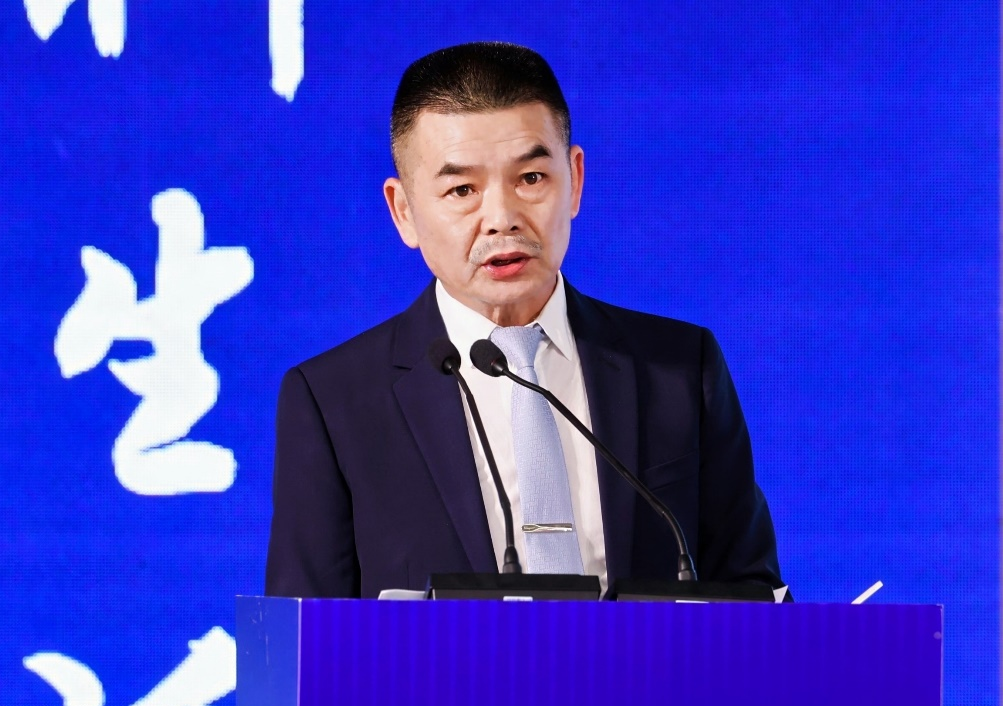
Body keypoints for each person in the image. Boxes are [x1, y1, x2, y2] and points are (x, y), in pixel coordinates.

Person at [265, 41, 783, 599]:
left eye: (531, 179)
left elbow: (753, 595)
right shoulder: (335, 401)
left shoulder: (677, 369)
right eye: (462, 190)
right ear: (404, 212)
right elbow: (302, 634)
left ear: (575, 179)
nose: (502, 218)